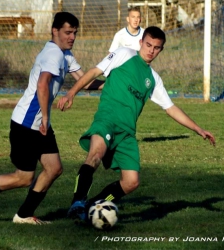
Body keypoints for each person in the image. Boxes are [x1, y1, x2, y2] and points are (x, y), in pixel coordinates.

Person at [57, 26, 216, 221]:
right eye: (148, 44)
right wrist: (71, 92)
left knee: (131, 182)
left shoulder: (153, 79)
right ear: (141, 42)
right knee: (95, 155)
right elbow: (93, 72)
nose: (151, 50)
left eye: (156, 48)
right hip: (107, 119)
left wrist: (198, 128)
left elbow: (171, 108)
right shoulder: (124, 54)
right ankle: (77, 203)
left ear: (161, 50)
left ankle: (94, 206)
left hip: (127, 133)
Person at [0, 12, 104, 224]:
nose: (72, 37)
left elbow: (84, 82)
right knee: (23, 177)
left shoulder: (65, 54)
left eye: (74, 33)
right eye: (68, 32)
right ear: (54, 31)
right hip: (27, 124)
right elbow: (42, 84)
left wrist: (113, 85)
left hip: (39, 124)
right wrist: (46, 117)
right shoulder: (53, 54)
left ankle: (24, 215)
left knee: (54, 168)